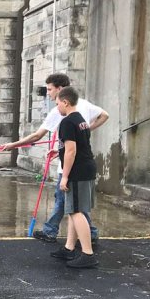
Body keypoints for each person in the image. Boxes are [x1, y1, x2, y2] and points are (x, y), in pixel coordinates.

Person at [3, 73, 109, 243]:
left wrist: (14, 144)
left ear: (61, 93)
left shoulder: (64, 116)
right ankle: (70, 239)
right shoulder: (82, 107)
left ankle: (83, 238)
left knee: (71, 204)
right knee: (76, 203)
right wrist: (85, 131)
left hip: (72, 167)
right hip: (81, 164)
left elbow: (40, 137)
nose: (49, 94)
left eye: (50, 90)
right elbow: (104, 115)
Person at [49, 87, 99, 268]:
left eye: (57, 104)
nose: (57, 108)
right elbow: (75, 145)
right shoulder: (81, 121)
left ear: (65, 102)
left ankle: (88, 254)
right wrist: (58, 150)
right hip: (86, 167)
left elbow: (71, 150)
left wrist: (65, 177)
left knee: (77, 211)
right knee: (73, 210)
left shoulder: (68, 122)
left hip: (78, 171)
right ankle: (69, 248)